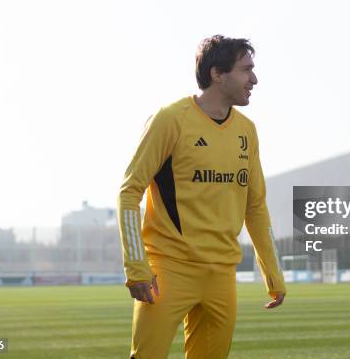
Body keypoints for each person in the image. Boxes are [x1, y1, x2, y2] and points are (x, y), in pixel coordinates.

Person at [117, 34, 286, 359]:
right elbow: (129, 192)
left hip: (222, 274)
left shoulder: (246, 131)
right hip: (168, 270)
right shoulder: (171, 120)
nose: (254, 79)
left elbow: (256, 208)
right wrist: (137, 267)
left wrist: (273, 274)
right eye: (246, 69)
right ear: (217, 74)